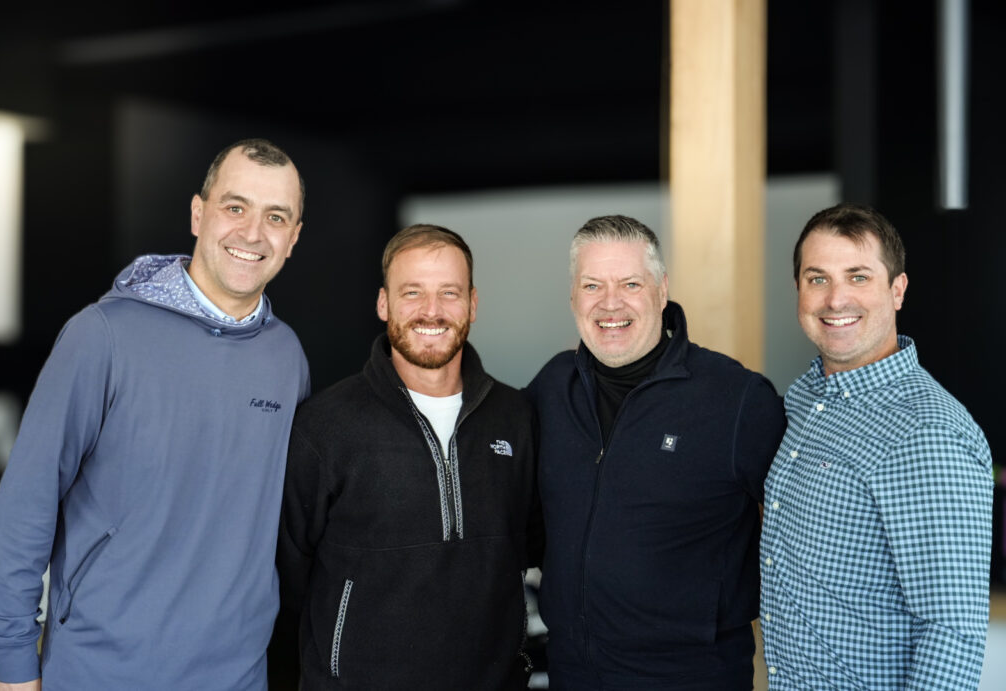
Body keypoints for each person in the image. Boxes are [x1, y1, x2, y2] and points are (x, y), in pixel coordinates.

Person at [0, 138, 310, 691]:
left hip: (237, 677)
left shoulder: (287, 358)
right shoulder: (102, 335)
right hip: (98, 671)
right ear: (198, 213)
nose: (253, 233)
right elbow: (26, 504)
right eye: (235, 207)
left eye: (275, 216)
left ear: (294, 237)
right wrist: (13, 663)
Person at [527, 215, 786, 690]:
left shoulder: (736, 399)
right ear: (572, 297)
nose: (610, 303)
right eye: (592, 285)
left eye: (630, 283)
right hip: (573, 675)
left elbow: (800, 539)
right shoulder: (550, 389)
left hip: (690, 678)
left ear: (662, 290)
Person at [277, 224, 541, 690]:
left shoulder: (515, 419)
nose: (432, 311)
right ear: (384, 304)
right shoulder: (323, 427)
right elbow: (287, 581)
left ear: (473, 304)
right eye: (413, 292)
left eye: (450, 293)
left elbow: (530, 550)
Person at [760, 202, 993, 689]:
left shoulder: (927, 433)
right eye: (817, 278)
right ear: (797, 290)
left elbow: (952, 633)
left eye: (859, 277)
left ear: (898, 290)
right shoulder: (805, 400)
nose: (835, 299)